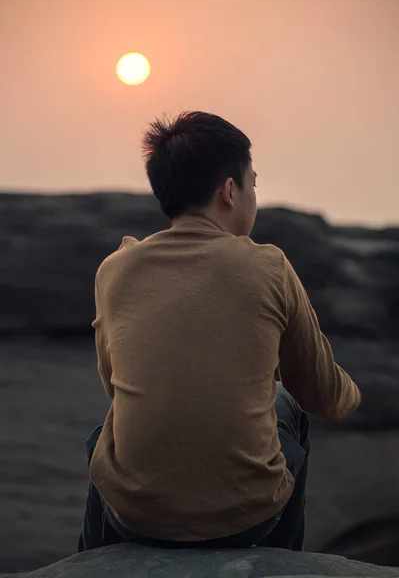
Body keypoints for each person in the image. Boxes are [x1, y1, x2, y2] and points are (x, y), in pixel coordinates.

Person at [78, 111, 361, 553]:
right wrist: (356, 395)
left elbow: (112, 382)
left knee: (108, 434)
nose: (253, 195)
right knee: (285, 403)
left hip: (135, 517)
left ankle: (92, 559)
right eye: (252, 181)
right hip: (246, 522)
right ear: (230, 191)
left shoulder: (114, 270)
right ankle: (279, 560)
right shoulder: (268, 266)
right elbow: (322, 394)